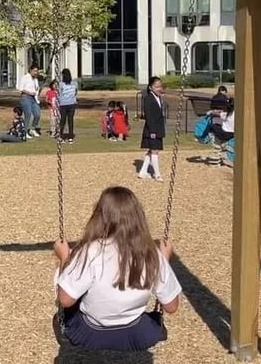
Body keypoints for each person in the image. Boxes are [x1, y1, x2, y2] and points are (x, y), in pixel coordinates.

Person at [54, 186, 182, 351]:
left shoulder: (90, 251)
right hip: (138, 332)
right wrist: (164, 260)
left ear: (100, 217)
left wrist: (65, 257)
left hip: (90, 332)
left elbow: (65, 300)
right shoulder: (153, 255)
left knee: (68, 303)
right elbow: (171, 306)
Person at [138, 77, 167, 181]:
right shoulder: (148, 98)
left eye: (160, 86)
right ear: (150, 87)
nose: (159, 88)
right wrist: (153, 131)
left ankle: (143, 172)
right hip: (152, 129)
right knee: (154, 151)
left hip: (158, 128)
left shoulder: (158, 98)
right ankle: (157, 174)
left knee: (152, 151)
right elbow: (149, 116)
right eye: (156, 86)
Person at [16, 64, 42, 137]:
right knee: (28, 114)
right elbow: (20, 88)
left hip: (33, 98)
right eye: (34, 71)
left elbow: (36, 89)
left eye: (37, 71)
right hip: (26, 97)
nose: (36, 73)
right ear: (30, 70)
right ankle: (25, 131)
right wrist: (29, 92)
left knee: (37, 114)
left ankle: (32, 129)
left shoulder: (35, 80)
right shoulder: (25, 77)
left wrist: (36, 97)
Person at [58, 69, 79, 143]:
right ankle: (66, 137)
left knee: (66, 120)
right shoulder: (61, 84)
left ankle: (65, 136)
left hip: (68, 104)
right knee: (67, 120)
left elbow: (60, 93)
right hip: (67, 104)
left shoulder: (73, 83)